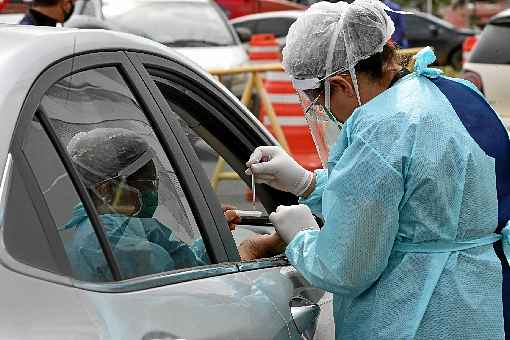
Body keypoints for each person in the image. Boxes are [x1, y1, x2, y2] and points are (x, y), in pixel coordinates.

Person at [245, 0, 510, 338]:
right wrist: (309, 184)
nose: (324, 113)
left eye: (319, 101)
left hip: (415, 315)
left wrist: (300, 238)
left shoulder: (381, 127)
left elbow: (345, 268)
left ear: (340, 85)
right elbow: (424, 195)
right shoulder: (456, 93)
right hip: (479, 307)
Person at [62, 128, 241, 281]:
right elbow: (185, 291)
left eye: (154, 183)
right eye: (147, 183)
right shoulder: (113, 242)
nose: (152, 192)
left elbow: (184, 265)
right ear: (106, 189)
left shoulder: (109, 230)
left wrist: (211, 240)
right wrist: (251, 252)